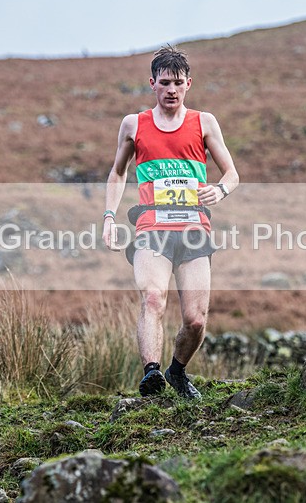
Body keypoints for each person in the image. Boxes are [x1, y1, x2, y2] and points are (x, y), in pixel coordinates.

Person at [102, 46, 239, 399]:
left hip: (194, 231)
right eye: (164, 82)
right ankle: (151, 375)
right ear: (152, 83)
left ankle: (176, 372)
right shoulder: (134, 124)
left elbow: (232, 173)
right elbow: (117, 174)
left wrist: (220, 191)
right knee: (152, 297)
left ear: (188, 83)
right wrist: (108, 217)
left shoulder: (204, 122)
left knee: (196, 320)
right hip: (151, 229)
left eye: (178, 83)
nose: (171, 90)